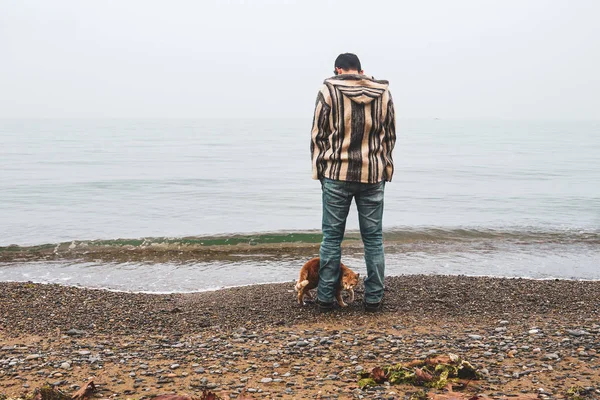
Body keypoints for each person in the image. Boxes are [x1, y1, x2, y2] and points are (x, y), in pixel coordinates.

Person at [310, 53, 396, 312]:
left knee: (332, 239)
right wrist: (386, 168)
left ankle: (325, 297)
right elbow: (389, 135)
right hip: (373, 174)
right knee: (374, 240)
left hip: (337, 174)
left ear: (338, 69)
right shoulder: (383, 93)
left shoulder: (329, 89)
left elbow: (318, 134)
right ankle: (374, 298)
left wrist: (320, 171)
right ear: (360, 69)